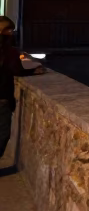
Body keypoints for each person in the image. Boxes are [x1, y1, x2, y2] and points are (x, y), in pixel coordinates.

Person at [0, 15, 46, 162]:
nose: (12, 33)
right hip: (2, 98)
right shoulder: (10, 51)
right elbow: (16, 70)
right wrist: (34, 71)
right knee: (3, 134)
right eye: (9, 30)